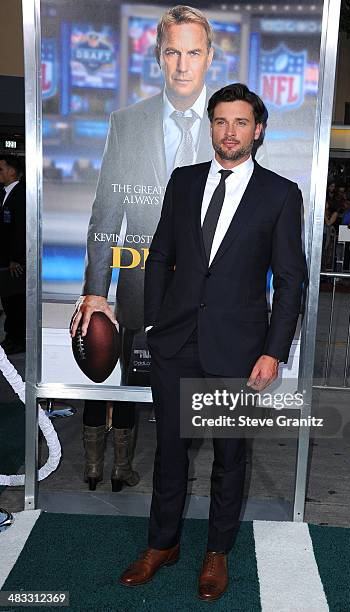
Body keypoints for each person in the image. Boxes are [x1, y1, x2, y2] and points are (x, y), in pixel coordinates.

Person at [118, 83, 306, 600]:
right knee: (170, 453)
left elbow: (290, 280)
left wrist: (272, 351)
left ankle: (216, 553)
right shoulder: (182, 181)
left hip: (238, 352)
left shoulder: (280, 194)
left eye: (241, 122)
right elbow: (159, 256)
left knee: (229, 458)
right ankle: (162, 544)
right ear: (211, 126)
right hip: (175, 344)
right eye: (221, 121)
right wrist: (154, 323)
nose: (230, 131)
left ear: (258, 129)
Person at [70, 5, 217, 492]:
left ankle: (177, 477)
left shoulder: (229, 127)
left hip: (203, 299)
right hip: (136, 287)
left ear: (209, 57)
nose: (182, 64)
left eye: (192, 52)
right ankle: (114, 469)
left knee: (191, 400)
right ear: (158, 56)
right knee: (127, 382)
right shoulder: (127, 121)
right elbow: (106, 211)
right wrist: (96, 290)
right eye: (172, 51)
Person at [0, 155, 26, 355]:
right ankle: (11, 336)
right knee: (8, 300)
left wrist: (16, 258)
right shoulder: (5, 193)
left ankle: (17, 339)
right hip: (6, 259)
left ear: (11, 171)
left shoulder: (21, 194)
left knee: (15, 301)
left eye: (1, 169)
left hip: (15, 262)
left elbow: (20, 230)